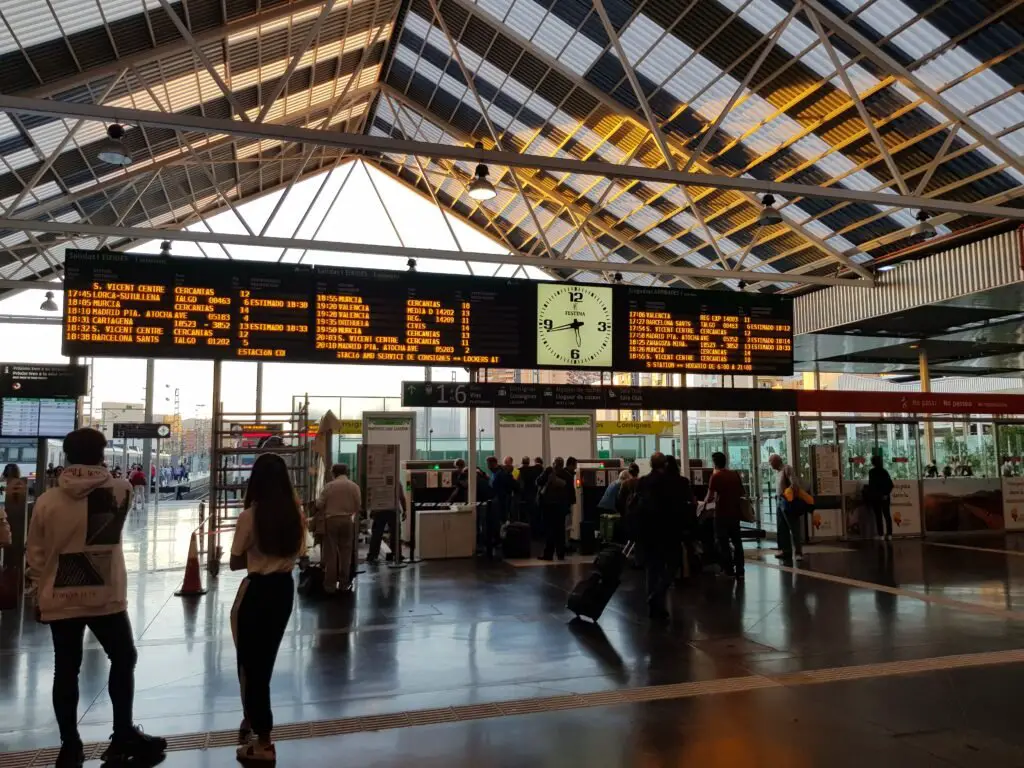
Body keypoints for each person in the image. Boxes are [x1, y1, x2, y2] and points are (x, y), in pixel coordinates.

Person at [26, 428, 167, 768]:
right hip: (105, 594)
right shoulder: (121, 489)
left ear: (69, 457)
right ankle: (122, 735)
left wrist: (37, 594)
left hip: (60, 596)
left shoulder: (47, 501)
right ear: (103, 456)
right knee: (123, 657)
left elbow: (36, 554)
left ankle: (70, 745)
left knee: (66, 670)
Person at [230, 453, 305, 763]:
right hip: (284, 590)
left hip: (256, 590)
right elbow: (300, 551)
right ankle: (256, 723)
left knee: (250, 664)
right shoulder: (295, 513)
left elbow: (235, 561)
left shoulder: (250, 516)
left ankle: (263, 738)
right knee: (266, 661)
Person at [634, 452, 679, 621]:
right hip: (666, 531)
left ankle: (654, 605)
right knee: (672, 566)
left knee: (652, 568)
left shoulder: (643, 481)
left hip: (647, 531)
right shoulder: (670, 482)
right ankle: (656, 596)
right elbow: (675, 508)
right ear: (665, 464)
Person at [315, 463, 361, 593]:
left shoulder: (329, 486)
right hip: (347, 520)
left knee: (331, 553)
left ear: (333, 473)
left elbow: (319, 504)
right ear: (347, 472)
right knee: (346, 553)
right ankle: (343, 583)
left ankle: (330, 585)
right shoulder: (354, 487)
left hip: (331, 521)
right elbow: (358, 505)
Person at [704, 452, 745, 580]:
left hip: (721, 514)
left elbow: (710, 497)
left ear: (714, 463)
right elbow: (741, 492)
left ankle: (728, 571)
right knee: (737, 542)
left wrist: (703, 504)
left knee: (723, 543)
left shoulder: (715, 477)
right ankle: (740, 570)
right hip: (735, 513)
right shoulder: (735, 475)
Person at [537, 458, 574, 560]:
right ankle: (560, 553)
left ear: (554, 464)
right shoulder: (568, 476)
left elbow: (538, 482)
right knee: (560, 530)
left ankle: (548, 554)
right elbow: (571, 492)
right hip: (561, 507)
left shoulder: (549, 471)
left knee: (549, 530)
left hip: (548, 505)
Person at [768, 454, 803, 564]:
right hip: (779, 501)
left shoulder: (787, 469)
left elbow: (795, 484)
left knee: (794, 527)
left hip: (787, 501)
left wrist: (789, 497)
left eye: (771, 462)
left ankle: (798, 552)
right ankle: (786, 551)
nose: (770, 464)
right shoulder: (777, 472)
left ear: (776, 461)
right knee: (782, 528)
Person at [866, 455, 894, 541]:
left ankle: (880, 534)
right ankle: (889, 534)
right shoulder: (884, 472)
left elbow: (872, 486)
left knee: (878, 516)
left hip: (876, 498)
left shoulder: (871, 472)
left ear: (872, 462)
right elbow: (891, 484)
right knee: (887, 515)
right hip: (885, 498)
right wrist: (886, 494)